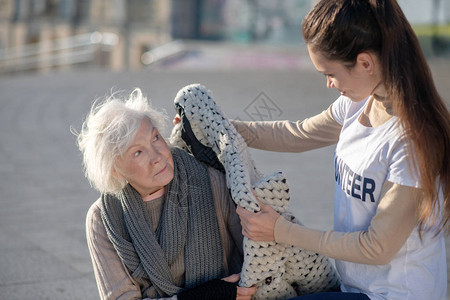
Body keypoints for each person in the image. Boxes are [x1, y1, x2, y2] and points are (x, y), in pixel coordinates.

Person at [231, 0, 450, 299]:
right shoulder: (359, 101)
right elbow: (298, 134)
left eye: (329, 73)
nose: (329, 84)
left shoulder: (411, 140)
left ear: (365, 63)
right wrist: (223, 127)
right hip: (357, 288)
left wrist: (281, 231)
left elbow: (378, 247)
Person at [76, 89, 257, 300]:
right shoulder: (103, 219)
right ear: (116, 170)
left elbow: (254, 255)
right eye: (138, 152)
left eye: (155, 138)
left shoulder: (210, 181)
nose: (157, 156)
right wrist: (205, 296)